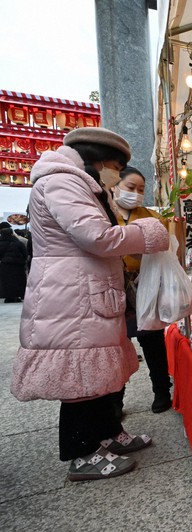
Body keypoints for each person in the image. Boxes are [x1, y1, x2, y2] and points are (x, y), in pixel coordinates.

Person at [11, 127, 170, 481]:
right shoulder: (62, 182)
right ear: (95, 159)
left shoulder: (84, 183)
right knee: (79, 376)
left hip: (87, 291)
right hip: (71, 294)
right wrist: (152, 233)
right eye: (114, 165)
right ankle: (81, 452)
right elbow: (96, 236)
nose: (116, 173)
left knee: (99, 372)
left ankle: (108, 433)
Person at [109, 166, 172, 415]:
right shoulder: (105, 215)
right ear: (115, 186)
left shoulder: (150, 217)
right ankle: (116, 401)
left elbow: (166, 247)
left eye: (141, 189)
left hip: (145, 285)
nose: (136, 194)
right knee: (116, 345)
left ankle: (161, 391)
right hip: (114, 287)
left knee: (152, 340)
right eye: (130, 188)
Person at [0, 221, 28, 303]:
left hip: (5, 264)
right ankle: (17, 296)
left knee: (6, 282)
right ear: (11, 233)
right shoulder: (18, 242)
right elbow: (25, 253)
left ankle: (8, 297)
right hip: (18, 265)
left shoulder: (0, 243)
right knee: (17, 281)